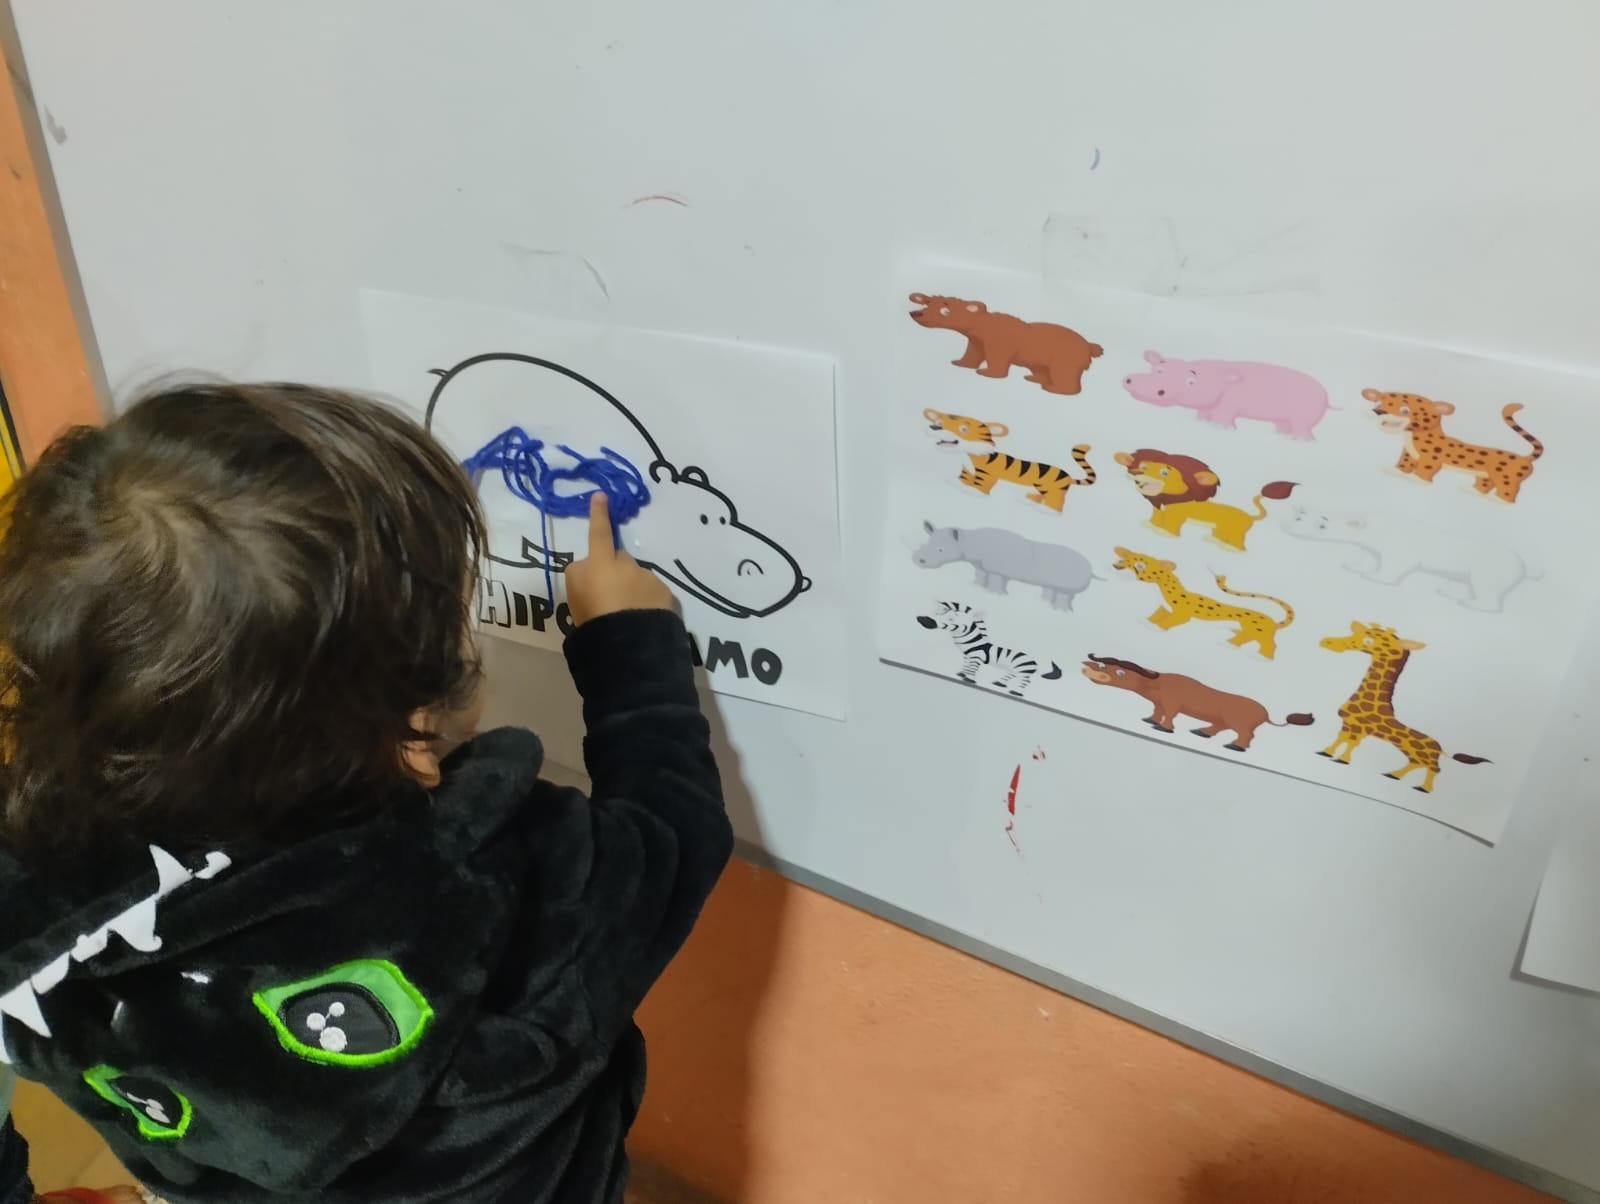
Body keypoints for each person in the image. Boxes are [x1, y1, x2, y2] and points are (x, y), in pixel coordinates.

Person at [0, 383, 733, 1203]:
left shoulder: (31, 887)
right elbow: (673, 838)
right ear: (413, 735)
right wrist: (630, 644)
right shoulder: (493, 881)